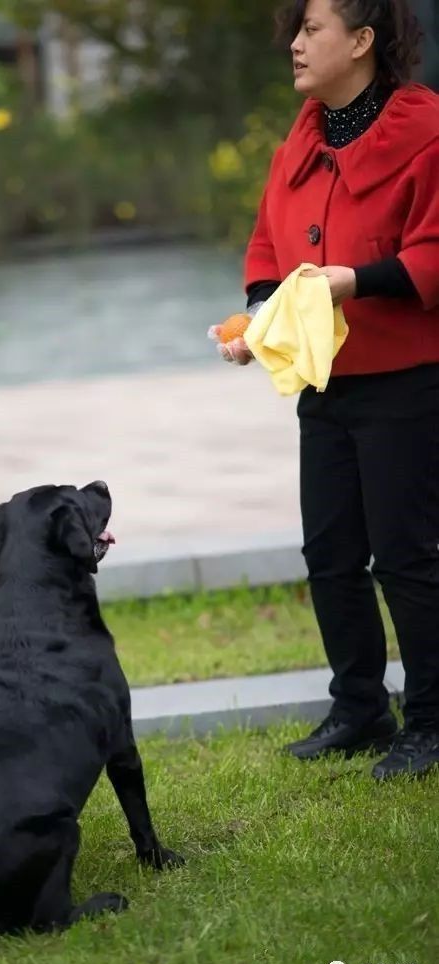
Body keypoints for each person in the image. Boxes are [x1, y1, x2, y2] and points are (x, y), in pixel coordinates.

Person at [220, 0, 439, 778]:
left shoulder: (426, 128)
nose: (295, 43)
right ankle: (358, 709)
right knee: (330, 553)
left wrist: (355, 281)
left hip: (407, 382)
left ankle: (431, 722)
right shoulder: (303, 136)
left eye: (311, 29)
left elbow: (434, 251)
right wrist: (257, 309)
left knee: (406, 558)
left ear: (361, 40)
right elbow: (266, 235)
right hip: (326, 380)